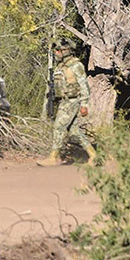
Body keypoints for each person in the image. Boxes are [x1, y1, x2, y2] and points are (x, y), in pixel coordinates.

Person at [37, 39, 96, 167]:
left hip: (73, 101)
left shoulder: (76, 65)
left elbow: (84, 85)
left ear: (66, 51)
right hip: (64, 101)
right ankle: (94, 156)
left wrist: (84, 104)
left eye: (58, 51)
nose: (56, 53)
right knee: (74, 131)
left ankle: (53, 157)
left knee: (59, 127)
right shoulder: (61, 67)